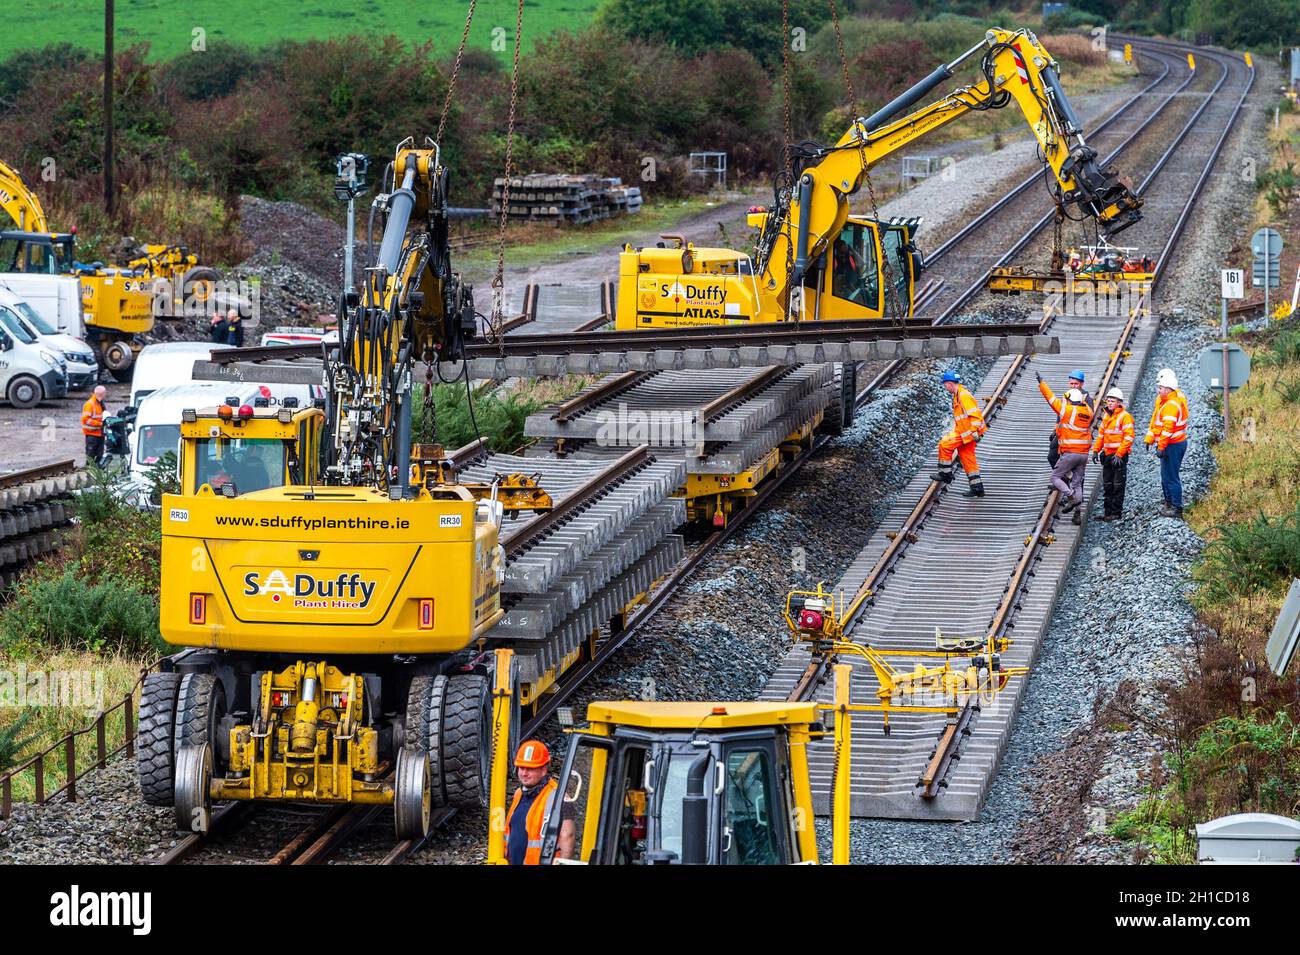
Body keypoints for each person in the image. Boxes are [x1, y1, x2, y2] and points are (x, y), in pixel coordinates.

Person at [504, 739, 574, 865]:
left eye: (530, 769)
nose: (524, 773)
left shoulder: (559, 796)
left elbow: (568, 835)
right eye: (521, 768)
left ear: (543, 770)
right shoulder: (518, 794)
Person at [1037, 371, 1093, 525]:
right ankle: (1077, 503)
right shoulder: (1087, 410)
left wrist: (1042, 383)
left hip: (1070, 450)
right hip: (1083, 452)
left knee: (1055, 477)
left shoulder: (1067, 410)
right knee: (1077, 481)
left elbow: (1051, 399)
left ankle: (1070, 496)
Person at [932, 370, 986, 497]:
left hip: (966, 432)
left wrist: (973, 431)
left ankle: (945, 474)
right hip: (964, 431)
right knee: (968, 459)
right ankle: (977, 488)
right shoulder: (958, 394)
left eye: (945, 385)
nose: (945, 388)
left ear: (950, 384)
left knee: (944, 444)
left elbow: (976, 416)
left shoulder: (963, 396)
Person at [1145, 367, 1189, 518]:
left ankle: (1176, 507)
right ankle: (1169, 502)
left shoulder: (1171, 405)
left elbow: (1168, 429)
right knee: (1166, 476)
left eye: (1161, 387)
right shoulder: (1166, 402)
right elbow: (1156, 423)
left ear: (1169, 389)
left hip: (1173, 444)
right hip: (1171, 444)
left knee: (1171, 476)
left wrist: (1161, 446)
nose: (1158, 390)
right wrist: (1151, 438)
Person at [1091, 387, 1134, 521]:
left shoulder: (1124, 417)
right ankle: (1108, 512)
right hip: (1108, 455)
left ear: (1119, 402)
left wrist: (1120, 454)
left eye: (1112, 401)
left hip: (1119, 457)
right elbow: (1101, 436)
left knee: (1118, 484)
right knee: (1108, 484)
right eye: (1108, 401)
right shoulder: (1106, 417)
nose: (1109, 403)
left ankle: (1116, 513)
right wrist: (1095, 450)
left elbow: (1129, 437)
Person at [80, 384, 107, 465]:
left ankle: (96, 472)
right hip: (92, 434)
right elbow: (86, 420)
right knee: (91, 456)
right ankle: (90, 472)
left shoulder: (99, 403)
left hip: (99, 434)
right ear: (101, 394)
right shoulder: (90, 404)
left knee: (99, 455)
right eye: (105, 393)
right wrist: (100, 424)